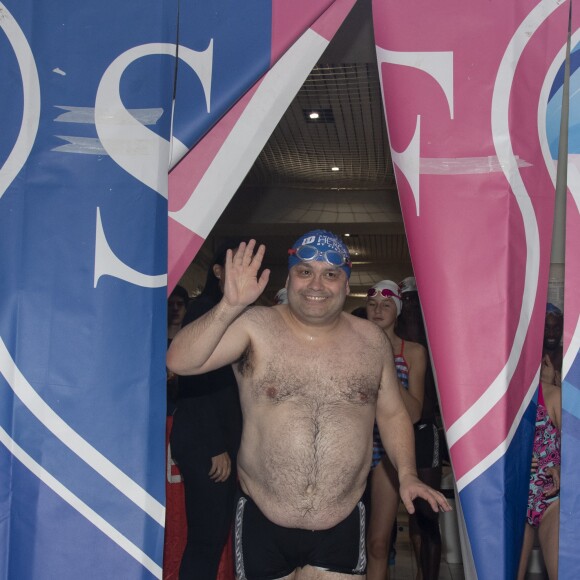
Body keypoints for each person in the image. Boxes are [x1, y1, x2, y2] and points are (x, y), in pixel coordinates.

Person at [167, 230, 451, 580]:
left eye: (330, 274)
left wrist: (407, 474)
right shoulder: (256, 326)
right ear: (290, 278)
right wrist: (230, 306)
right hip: (263, 516)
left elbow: (392, 413)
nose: (316, 283)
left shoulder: (371, 342)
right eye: (304, 271)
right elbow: (180, 361)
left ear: (346, 286)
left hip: (341, 519)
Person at [169, 242, 243, 580]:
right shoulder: (204, 311)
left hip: (223, 441)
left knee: (214, 539)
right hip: (205, 443)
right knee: (205, 540)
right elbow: (195, 383)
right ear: (217, 271)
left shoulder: (236, 312)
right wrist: (216, 446)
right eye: (236, 264)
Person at [364, 280, 428, 580]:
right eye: (373, 304)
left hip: (387, 449)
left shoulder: (412, 352)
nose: (378, 310)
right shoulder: (348, 343)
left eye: (386, 304)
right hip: (351, 444)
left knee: (378, 544)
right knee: (348, 542)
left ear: (398, 310)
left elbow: (414, 412)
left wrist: (384, 362)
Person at [397, 277, 442, 580]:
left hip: (426, 431)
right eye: (408, 301)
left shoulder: (437, 339)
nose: (412, 306)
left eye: (417, 300)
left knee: (428, 515)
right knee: (403, 516)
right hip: (391, 431)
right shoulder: (393, 338)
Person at [516, 370, 561, 580]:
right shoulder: (498, 400)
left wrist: (562, 469)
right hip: (512, 497)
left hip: (550, 497)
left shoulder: (554, 396)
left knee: (562, 572)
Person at [542, 303, 563, 385]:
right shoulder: (531, 358)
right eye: (546, 329)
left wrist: (562, 389)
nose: (551, 334)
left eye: (556, 329)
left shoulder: (569, 357)